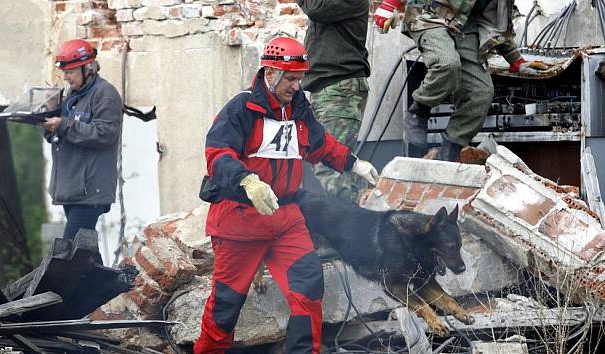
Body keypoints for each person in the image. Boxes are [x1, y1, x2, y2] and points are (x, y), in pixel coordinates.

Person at [194, 37, 378, 354]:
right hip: (239, 221)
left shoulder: (297, 108)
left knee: (308, 286)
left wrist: (352, 163)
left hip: (285, 219)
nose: (296, 86)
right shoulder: (241, 108)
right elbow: (218, 154)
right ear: (270, 72)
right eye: (290, 78)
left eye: (299, 78)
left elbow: (319, 143)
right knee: (225, 306)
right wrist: (248, 181)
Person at [374, 0, 548, 161]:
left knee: (480, 93)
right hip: (429, 15)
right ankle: (418, 112)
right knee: (447, 64)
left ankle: (448, 154)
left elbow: (497, 20)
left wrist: (516, 61)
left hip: (464, 26)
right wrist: (390, 5)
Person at [42, 39, 123, 241]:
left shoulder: (105, 94)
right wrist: (51, 111)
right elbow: (57, 136)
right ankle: (107, 275)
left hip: (90, 190)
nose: (66, 77)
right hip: (72, 189)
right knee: (85, 252)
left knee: (71, 248)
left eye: (70, 72)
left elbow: (105, 134)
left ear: (88, 68)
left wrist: (63, 125)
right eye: (65, 72)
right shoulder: (73, 97)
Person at [297, 0, 371, 203]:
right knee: (338, 164)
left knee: (328, 162)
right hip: (331, 87)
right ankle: (358, 219)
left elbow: (315, 8)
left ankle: (356, 225)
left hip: (339, 87)